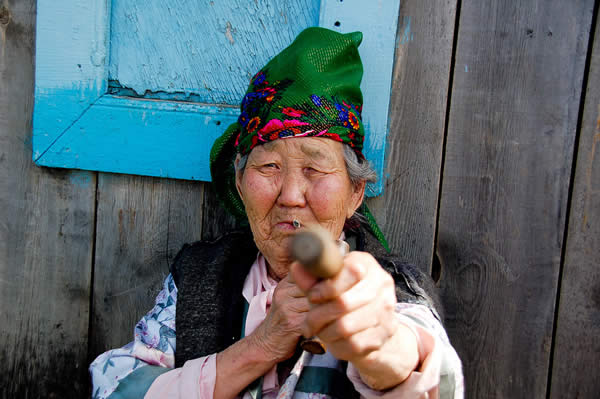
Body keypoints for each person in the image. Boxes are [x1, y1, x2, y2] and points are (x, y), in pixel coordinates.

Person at [90, 27, 463, 399]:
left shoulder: (388, 290)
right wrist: (264, 344)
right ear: (239, 182)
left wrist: (383, 348)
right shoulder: (200, 275)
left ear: (355, 193)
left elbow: (432, 375)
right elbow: (115, 388)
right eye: (269, 167)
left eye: (315, 170)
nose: (291, 196)